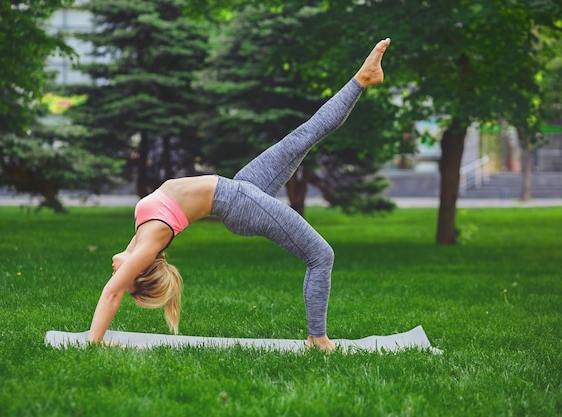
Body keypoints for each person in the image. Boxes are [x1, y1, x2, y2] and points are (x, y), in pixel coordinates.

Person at [89, 38, 391, 350]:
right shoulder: (150, 242)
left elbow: (119, 283)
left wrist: (129, 275)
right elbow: (112, 292)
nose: (118, 281)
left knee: (305, 134)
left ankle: (363, 78)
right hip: (237, 204)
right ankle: (317, 338)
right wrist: (95, 342)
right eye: (128, 282)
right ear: (138, 271)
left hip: (238, 188)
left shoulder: (140, 237)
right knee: (321, 255)